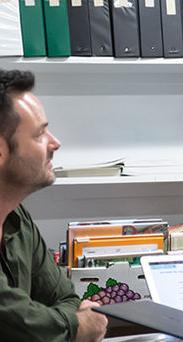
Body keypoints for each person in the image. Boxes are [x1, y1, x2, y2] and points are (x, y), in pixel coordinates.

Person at [0, 69, 108, 341]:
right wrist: (78, 327)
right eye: (39, 135)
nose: (55, 143)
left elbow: (65, 297)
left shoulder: (18, 217)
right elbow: (11, 318)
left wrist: (54, 325)